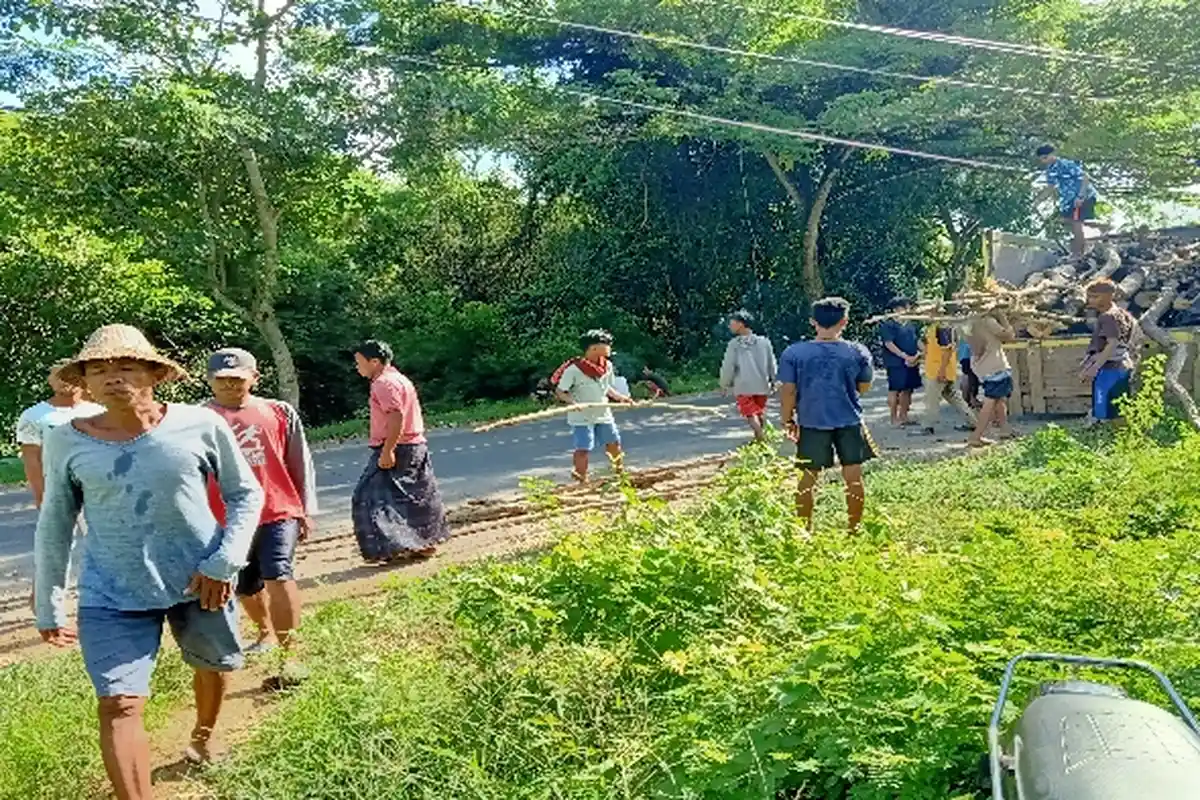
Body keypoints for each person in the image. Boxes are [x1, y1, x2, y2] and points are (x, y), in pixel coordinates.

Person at [34, 324, 264, 797]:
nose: (112, 378)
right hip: (111, 593)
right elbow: (55, 522)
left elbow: (245, 494)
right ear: (84, 382)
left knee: (213, 665)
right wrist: (48, 603)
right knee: (118, 704)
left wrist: (225, 562)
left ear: (156, 375)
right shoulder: (65, 440)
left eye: (126, 366)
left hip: (201, 581)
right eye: (98, 370)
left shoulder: (200, 425)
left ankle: (203, 738)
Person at [204, 348, 317, 685]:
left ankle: (291, 655)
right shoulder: (197, 419)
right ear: (209, 380)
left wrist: (305, 510)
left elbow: (299, 462)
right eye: (222, 379)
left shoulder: (279, 412)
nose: (229, 385)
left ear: (254, 378)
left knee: (278, 573)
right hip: (225, 517)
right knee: (244, 584)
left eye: (237, 379)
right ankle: (265, 631)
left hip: (277, 509)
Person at [778, 297, 877, 532]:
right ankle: (854, 527)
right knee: (853, 476)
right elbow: (864, 386)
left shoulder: (794, 353)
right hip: (849, 419)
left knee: (808, 477)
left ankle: (805, 530)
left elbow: (788, 390)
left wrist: (787, 419)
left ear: (813, 322)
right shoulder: (857, 351)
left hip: (811, 421)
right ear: (844, 321)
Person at [351, 340, 451, 564]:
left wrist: (388, 450)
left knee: (368, 496)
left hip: (399, 446)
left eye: (359, 362)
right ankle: (423, 544)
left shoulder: (383, 383)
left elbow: (396, 416)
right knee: (415, 496)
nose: (357, 367)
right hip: (415, 445)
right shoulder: (399, 378)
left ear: (374, 362)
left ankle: (390, 548)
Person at [17, 360, 104, 610]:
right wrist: (41, 494)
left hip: (96, 490)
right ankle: (44, 601)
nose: (65, 381)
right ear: (50, 381)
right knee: (55, 547)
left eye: (70, 376)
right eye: (58, 376)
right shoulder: (35, 415)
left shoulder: (98, 412)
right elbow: (32, 458)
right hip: (57, 489)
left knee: (104, 542)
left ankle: (107, 596)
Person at [554, 329, 634, 483]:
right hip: (582, 416)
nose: (609, 347)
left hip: (603, 413)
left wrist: (621, 398)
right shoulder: (574, 370)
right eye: (606, 344)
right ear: (593, 348)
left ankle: (620, 473)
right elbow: (560, 391)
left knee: (613, 443)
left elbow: (607, 388)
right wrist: (573, 403)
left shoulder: (607, 366)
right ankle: (581, 478)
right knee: (583, 448)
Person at [1080, 279, 1138, 425]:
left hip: (1109, 368)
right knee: (1120, 408)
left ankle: (1109, 436)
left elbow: (1112, 344)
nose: (1090, 300)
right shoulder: (1123, 314)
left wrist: (1094, 367)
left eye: (1095, 296)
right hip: (1122, 366)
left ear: (1108, 296)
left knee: (1105, 411)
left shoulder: (1108, 317)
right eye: (1089, 296)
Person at [719, 310, 778, 443]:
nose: (730, 326)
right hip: (762, 384)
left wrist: (724, 384)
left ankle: (761, 438)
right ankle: (760, 439)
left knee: (750, 413)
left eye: (732, 323)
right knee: (759, 411)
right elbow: (772, 363)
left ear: (741, 324)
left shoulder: (735, 344)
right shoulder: (764, 342)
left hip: (743, 386)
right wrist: (775, 380)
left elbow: (728, 366)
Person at [1037, 144, 1099, 262]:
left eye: (1045, 157)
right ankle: (1086, 241)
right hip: (1068, 201)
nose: (1044, 161)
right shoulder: (1050, 170)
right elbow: (1050, 188)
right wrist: (1038, 201)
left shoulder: (1066, 164)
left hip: (1083, 196)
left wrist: (1080, 197)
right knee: (1065, 221)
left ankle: (1078, 254)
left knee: (1076, 223)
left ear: (1052, 154)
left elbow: (1085, 178)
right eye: (1042, 159)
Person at [966, 311, 1017, 447]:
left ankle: (1005, 429)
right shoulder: (988, 321)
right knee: (991, 401)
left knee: (999, 399)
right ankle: (976, 436)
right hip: (994, 365)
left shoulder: (970, 321)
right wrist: (1002, 317)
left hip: (981, 365)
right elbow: (1009, 336)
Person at [920, 325, 976, 436]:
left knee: (931, 399)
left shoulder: (942, 327)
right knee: (955, 398)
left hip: (938, 371)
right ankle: (973, 422)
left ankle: (927, 426)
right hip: (941, 370)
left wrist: (942, 371)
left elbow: (947, 350)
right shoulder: (934, 327)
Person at [878, 297, 922, 426]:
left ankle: (904, 416)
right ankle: (894, 418)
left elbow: (916, 340)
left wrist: (921, 353)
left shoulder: (911, 324)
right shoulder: (888, 325)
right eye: (906, 306)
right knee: (895, 389)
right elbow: (888, 343)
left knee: (908, 389)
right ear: (897, 309)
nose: (909, 309)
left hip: (912, 361)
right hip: (895, 362)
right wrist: (904, 356)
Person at [958, 333, 981, 410]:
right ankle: (972, 398)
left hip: (964, 354)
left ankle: (968, 398)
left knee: (968, 374)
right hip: (970, 354)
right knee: (972, 376)